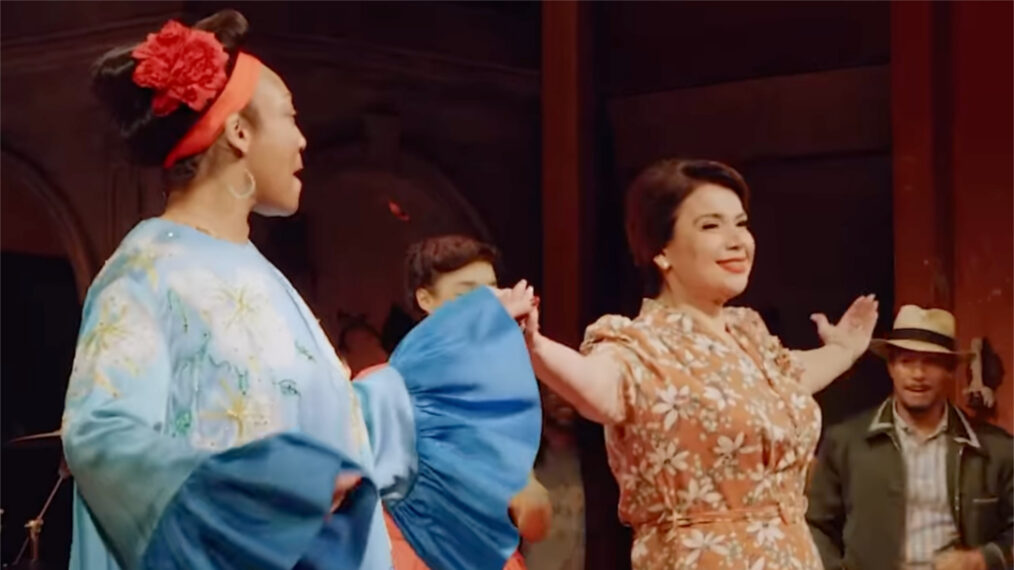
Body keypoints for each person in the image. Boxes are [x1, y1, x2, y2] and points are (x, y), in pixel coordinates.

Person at [61, 11, 541, 570]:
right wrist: (262, 487)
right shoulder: (148, 270)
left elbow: (341, 425)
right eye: (289, 116)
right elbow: (102, 437)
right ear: (239, 132)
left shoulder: (259, 276)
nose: (302, 138)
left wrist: (465, 342)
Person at [517, 158, 879, 569]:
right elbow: (600, 388)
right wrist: (535, 346)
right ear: (662, 250)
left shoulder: (749, 336)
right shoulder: (637, 344)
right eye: (711, 226)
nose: (737, 240)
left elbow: (790, 380)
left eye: (740, 223)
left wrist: (843, 352)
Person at [356, 235, 553, 570]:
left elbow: (534, 519)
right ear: (425, 299)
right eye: (467, 294)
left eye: (491, 290)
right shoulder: (381, 385)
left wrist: (529, 499)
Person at [806, 305, 1013, 570]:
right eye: (906, 361)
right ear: (891, 367)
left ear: (951, 371)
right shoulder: (845, 443)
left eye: (931, 362)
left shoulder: (996, 450)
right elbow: (817, 527)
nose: (918, 374)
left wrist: (983, 558)